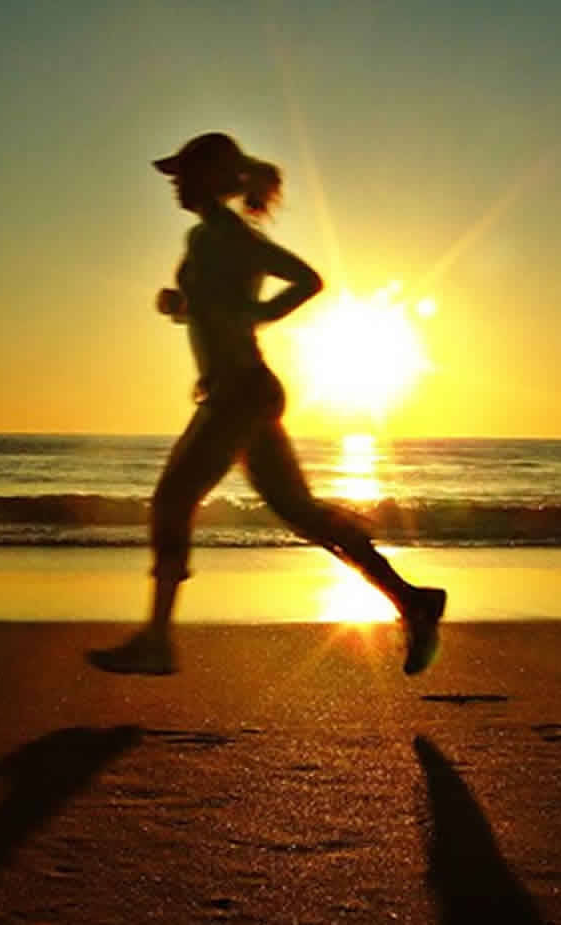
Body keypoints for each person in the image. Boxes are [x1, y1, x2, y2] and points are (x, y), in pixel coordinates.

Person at [88, 132, 445, 677]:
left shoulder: (231, 235)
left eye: (182, 173)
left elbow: (308, 280)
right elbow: (217, 305)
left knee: (171, 501)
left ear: (209, 177)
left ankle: (158, 641)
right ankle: (412, 602)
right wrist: (184, 306)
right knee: (302, 514)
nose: (174, 184)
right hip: (238, 393)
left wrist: (257, 316)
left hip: (240, 394)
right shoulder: (204, 237)